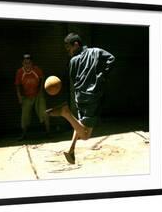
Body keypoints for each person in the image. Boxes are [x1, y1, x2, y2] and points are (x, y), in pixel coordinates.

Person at [46, 33, 115, 164]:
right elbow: (111, 59)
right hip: (93, 97)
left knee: (80, 124)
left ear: (76, 44)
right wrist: (101, 76)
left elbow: (73, 79)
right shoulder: (96, 51)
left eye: (69, 48)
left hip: (80, 98)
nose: (69, 52)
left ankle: (71, 150)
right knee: (85, 135)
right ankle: (65, 113)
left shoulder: (73, 61)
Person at [15, 54, 50, 140]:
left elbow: (42, 78)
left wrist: (41, 91)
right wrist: (19, 96)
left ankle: (48, 133)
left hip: (38, 95)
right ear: (22, 63)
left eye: (29, 63)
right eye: (25, 63)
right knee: (25, 116)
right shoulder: (20, 72)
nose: (27, 65)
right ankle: (24, 135)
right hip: (26, 96)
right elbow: (17, 85)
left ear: (32, 63)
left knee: (44, 112)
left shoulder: (36, 70)